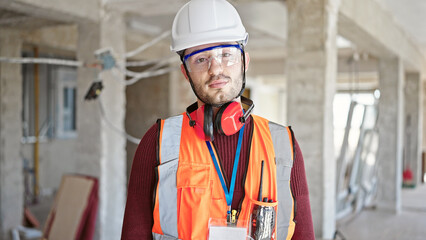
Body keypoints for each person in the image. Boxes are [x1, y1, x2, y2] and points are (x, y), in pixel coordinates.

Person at [121, 0, 314, 239]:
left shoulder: (283, 144)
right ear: (185, 72)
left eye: (226, 54)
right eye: (201, 59)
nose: (215, 69)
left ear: (245, 61)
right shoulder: (158, 143)